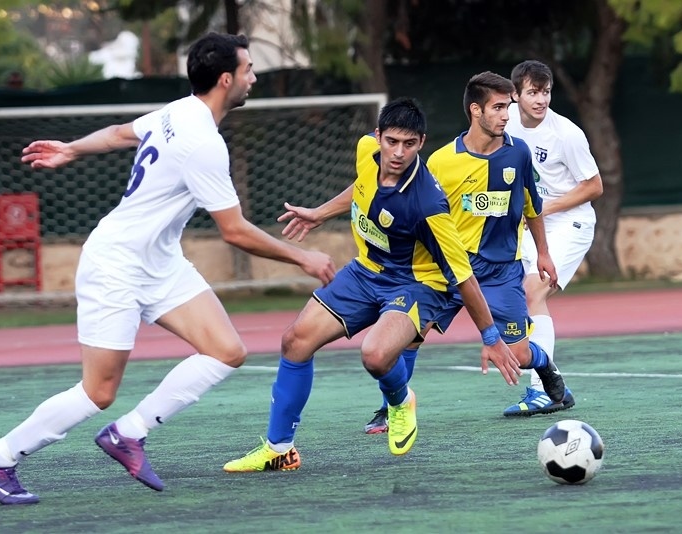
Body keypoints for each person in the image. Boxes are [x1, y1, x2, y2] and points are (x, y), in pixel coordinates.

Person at [0, 32, 336, 506]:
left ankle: (131, 433)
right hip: (116, 265)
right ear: (226, 80)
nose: (254, 77)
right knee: (98, 391)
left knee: (226, 350)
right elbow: (235, 231)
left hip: (159, 261)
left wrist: (74, 149)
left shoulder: (181, 111)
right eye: (248, 69)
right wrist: (304, 257)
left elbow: (124, 132)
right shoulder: (203, 141)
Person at [222, 97, 523, 472]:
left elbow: (463, 275)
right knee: (295, 341)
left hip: (417, 284)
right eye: (392, 141)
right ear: (377, 136)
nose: (398, 153)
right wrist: (319, 213)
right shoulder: (368, 151)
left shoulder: (428, 204)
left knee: (376, 354)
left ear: (421, 143)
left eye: (409, 144)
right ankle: (279, 449)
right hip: (366, 271)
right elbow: (363, 184)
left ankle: (400, 399)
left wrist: (491, 336)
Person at [361, 71, 566, 433]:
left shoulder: (518, 152)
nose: (507, 115)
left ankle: (545, 364)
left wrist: (544, 253)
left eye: (509, 107)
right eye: (499, 107)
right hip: (447, 270)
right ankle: (388, 407)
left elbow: (532, 206)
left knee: (518, 355)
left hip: (500, 272)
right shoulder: (440, 162)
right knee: (409, 333)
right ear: (476, 110)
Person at [502, 60, 603, 416]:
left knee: (533, 292)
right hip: (532, 224)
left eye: (546, 92)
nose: (541, 99)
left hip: (570, 224)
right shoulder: (506, 121)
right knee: (517, 295)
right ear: (516, 95)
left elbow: (594, 186)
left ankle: (542, 389)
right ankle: (552, 384)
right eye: (533, 92)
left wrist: (546, 208)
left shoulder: (567, 134)